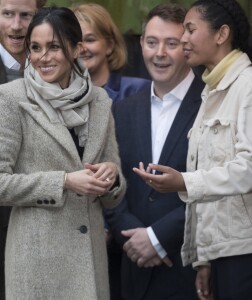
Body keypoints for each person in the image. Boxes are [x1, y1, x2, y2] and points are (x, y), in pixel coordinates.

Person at [133, 1, 252, 300]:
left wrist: (184, 182)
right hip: (229, 248)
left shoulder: (250, 86)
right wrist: (204, 258)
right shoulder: (213, 90)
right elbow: (213, 183)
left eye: (190, 29)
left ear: (221, 34)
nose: (184, 38)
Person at [0, 7, 126, 299]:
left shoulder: (100, 101)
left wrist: (112, 175)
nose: (43, 57)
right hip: (36, 265)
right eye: (36, 48)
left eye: (54, 46)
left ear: (76, 49)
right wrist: (64, 181)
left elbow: (113, 195)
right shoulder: (11, 99)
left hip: (90, 264)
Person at [104, 3, 204, 300]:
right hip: (133, 265)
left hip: (189, 266)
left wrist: (157, 238)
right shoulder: (122, 110)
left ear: (187, 47)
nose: (159, 53)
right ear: (141, 45)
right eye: (152, 42)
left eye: (171, 44)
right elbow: (112, 184)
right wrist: (135, 238)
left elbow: (218, 186)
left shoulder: (210, 106)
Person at [0, 0, 46, 298]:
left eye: (25, 16)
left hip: (43, 222)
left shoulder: (59, 67)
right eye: (7, 14)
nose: (16, 26)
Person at [72, 3, 150, 103]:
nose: (82, 49)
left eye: (90, 40)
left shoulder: (137, 90)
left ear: (109, 45)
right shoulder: (59, 96)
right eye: (74, 42)